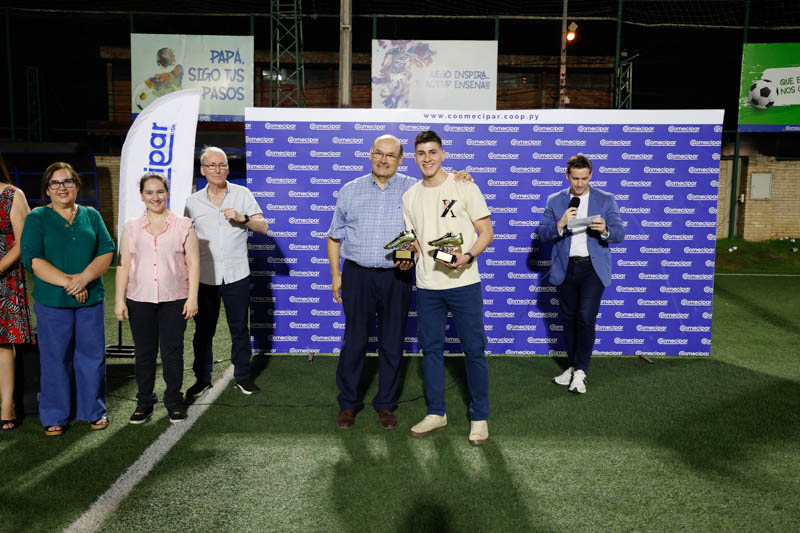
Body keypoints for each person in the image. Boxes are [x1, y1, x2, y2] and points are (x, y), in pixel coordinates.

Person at [328, 134, 475, 431]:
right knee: (355, 340)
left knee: (392, 341)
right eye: (379, 153)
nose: (384, 159)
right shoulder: (350, 190)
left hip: (397, 276)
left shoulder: (414, 188)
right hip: (357, 273)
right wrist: (336, 274)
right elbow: (334, 236)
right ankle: (348, 404)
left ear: (400, 159)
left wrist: (461, 177)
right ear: (370, 154)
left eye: (391, 155)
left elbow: (441, 188)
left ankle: (385, 405)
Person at [402, 130, 494, 446]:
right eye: (421, 153)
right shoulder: (410, 195)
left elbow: (486, 232)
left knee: (473, 350)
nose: (427, 158)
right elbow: (412, 240)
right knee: (431, 351)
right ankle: (436, 412)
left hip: (464, 284)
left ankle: (479, 417)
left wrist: (467, 256)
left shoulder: (464, 185)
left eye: (432, 152)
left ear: (442, 154)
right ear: (414, 157)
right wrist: (403, 257)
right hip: (428, 286)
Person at [20, 162, 115, 436]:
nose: (62, 187)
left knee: (92, 357)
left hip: (90, 299)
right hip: (53, 302)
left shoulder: (91, 215)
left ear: (76, 185)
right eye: (55, 183)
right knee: (55, 359)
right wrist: (71, 283)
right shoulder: (37, 217)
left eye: (67, 182)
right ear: (47, 190)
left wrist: (84, 279)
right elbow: (33, 259)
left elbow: (107, 250)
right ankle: (55, 415)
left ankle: (93, 411)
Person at [184, 146, 269, 398]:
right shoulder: (191, 202)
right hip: (204, 277)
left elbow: (263, 227)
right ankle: (202, 378)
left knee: (239, 328)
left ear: (228, 168)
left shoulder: (242, 194)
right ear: (203, 170)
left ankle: (243, 376)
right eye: (211, 165)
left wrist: (243, 218)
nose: (217, 169)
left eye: (221, 165)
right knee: (203, 332)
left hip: (236, 274)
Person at [115, 174, 200, 424]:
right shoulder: (131, 227)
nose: (155, 197)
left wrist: (192, 297)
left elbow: (194, 264)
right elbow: (123, 265)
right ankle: (144, 402)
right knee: (144, 354)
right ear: (142, 195)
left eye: (160, 191)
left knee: (172, 353)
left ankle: (174, 401)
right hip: (139, 299)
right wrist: (119, 300)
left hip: (175, 299)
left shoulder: (184, 225)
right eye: (149, 192)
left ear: (167, 193)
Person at [538, 154, 625, 394]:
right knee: (568, 319)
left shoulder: (606, 199)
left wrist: (606, 230)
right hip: (565, 269)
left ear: (591, 176)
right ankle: (572, 366)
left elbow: (619, 233)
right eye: (575, 178)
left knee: (586, 318)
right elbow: (543, 234)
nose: (579, 183)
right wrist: (560, 224)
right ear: (567, 176)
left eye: (584, 178)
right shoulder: (555, 201)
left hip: (592, 269)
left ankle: (581, 371)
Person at [0, 172, 34, 431]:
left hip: (5, 277)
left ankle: (7, 407)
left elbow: (23, 242)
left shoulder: (12, 194)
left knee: (3, 344)